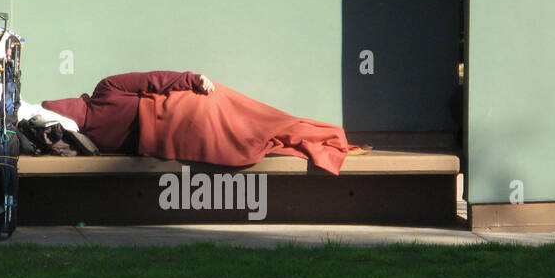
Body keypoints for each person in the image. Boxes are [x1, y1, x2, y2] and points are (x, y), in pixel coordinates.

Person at [39, 71, 361, 175]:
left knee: (259, 134)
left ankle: (317, 139)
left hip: (179, 139)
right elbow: (154, 80)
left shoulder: (87, 142)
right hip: (186, 106)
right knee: (264, 120)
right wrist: (193, 79)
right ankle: (325, 135)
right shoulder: (105, 89)